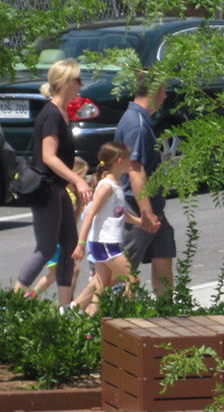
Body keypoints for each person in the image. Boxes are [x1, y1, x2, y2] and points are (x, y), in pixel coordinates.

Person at [13, 58, 92, 306]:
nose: (82, 84)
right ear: (67, 82)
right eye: (78, 79)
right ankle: (10, 304)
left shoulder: (60, 113)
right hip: (47, 191)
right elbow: (48, 157)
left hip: (57, 190)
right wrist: (78, 181)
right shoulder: (51, 115)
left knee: (69, 246)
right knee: (46, 249)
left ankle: (64, 310)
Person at [71, 142, 144, 316]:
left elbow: (119, 212)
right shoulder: (106, 186)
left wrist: (140, 222)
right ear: (120, 161)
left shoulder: (115, 184)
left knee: (102, 286)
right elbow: (90, 215)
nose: (131, 162)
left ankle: (80, 320)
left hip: (107, 243)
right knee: (132, 279)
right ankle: (125, 319)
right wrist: (80, 244)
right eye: (128, 159)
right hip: (104, 243)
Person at [115, 71, 171, 295]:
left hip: (154, 208)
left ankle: (166, 313)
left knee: (164, 253)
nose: (166, 95)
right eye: (163, 89)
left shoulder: (140, 120)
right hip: (136, 206)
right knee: (125, 270)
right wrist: (145, 214)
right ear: (154, 90)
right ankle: (110, 316)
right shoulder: (137, 125)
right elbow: (135, 171)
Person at [28, 157, 91, 300]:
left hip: (57, 238)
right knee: (70, 270)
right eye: (81, 176)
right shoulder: (67, 195)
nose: (84, 180)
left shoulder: (69, 194)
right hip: (58, 240)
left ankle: (30, 297)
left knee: (54, 275)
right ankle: (68, 301)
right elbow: (69, 222)